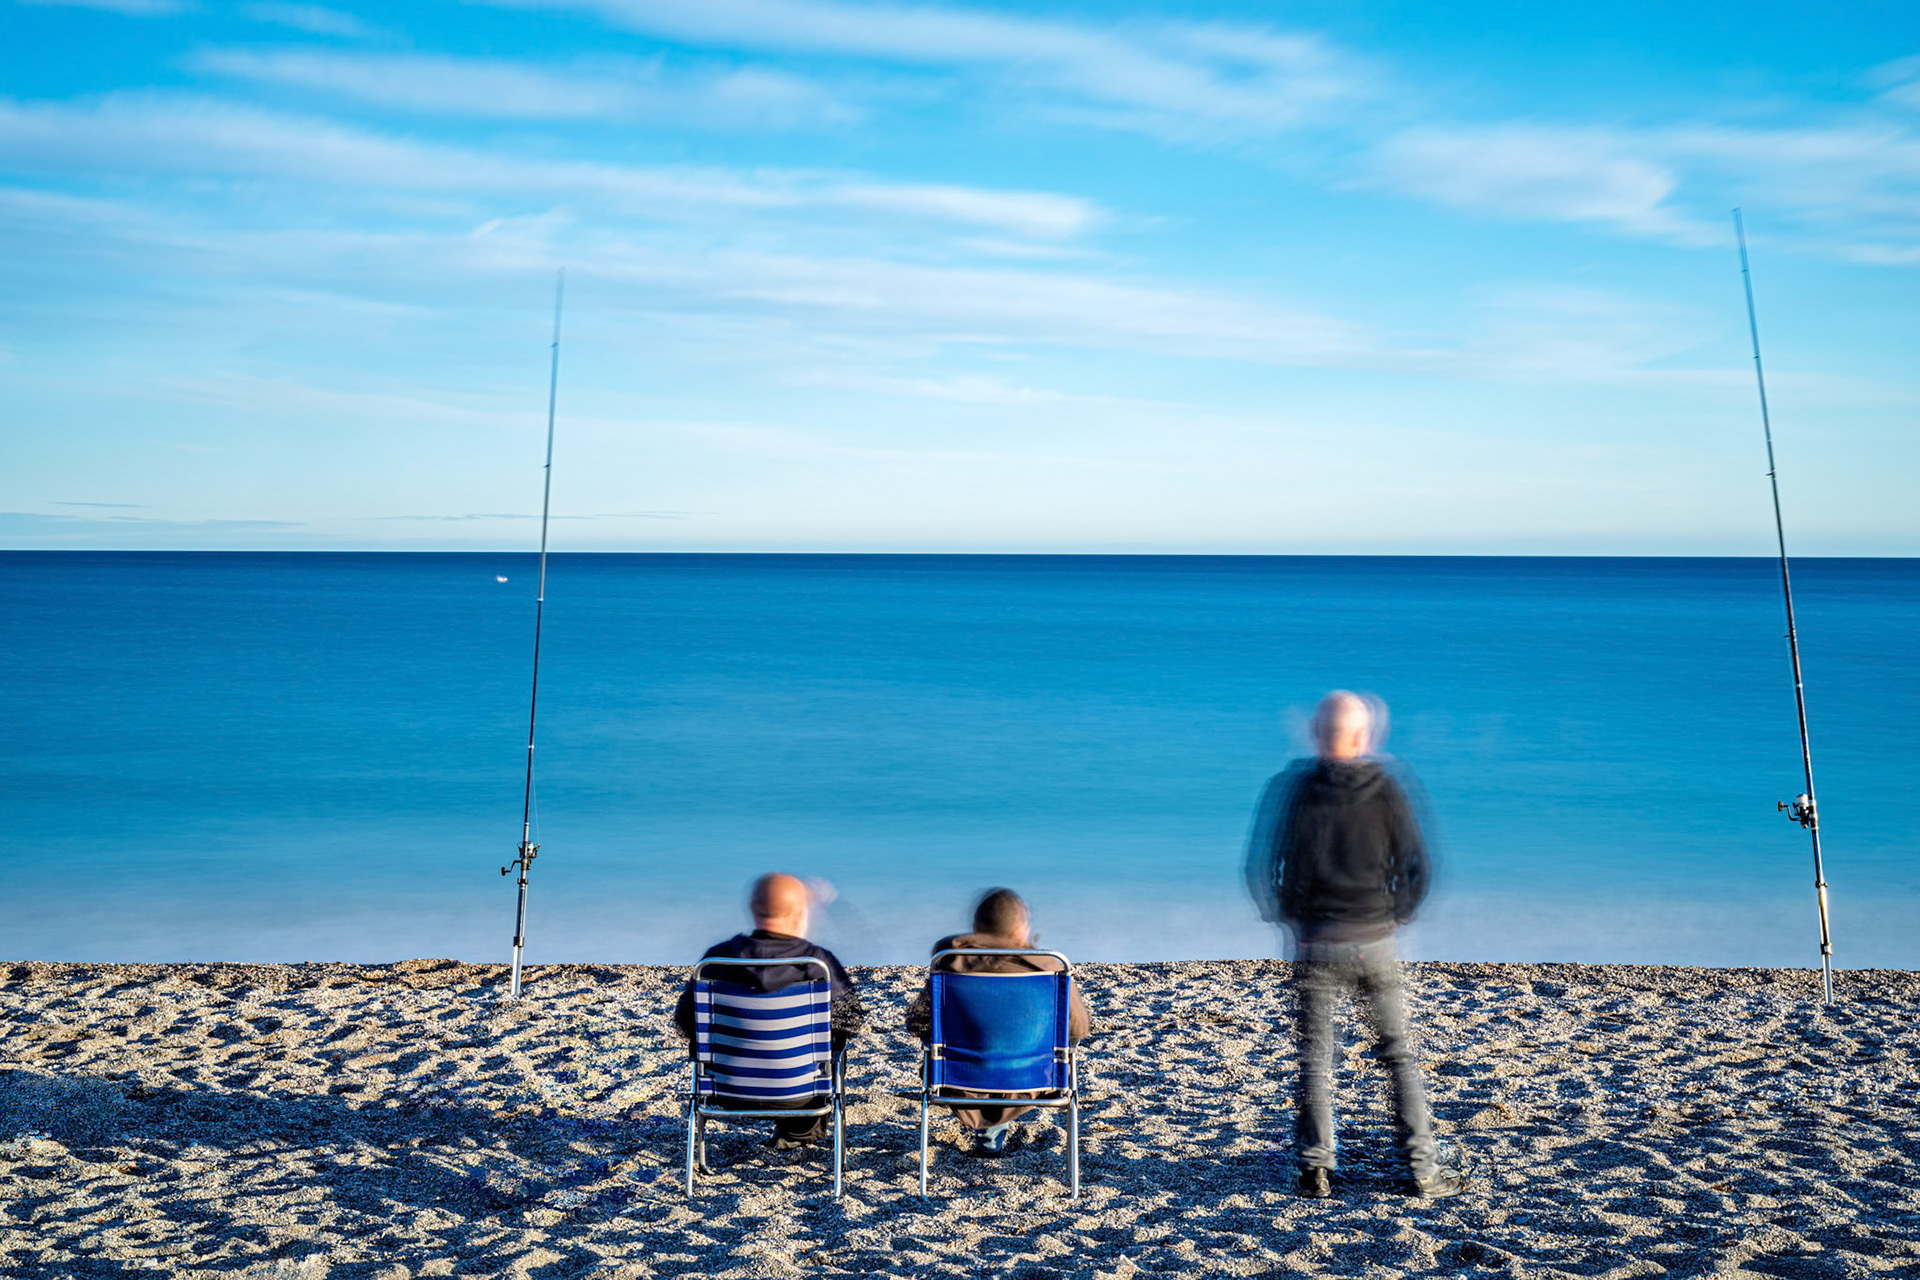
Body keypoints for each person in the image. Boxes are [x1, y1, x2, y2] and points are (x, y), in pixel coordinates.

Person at [1244, 691, 1465, 1199]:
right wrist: (1395, 916)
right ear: (1363, 737)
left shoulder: (1296, 787)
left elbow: (1263, 867)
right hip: (1374, 939)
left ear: (1320, 735)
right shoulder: (1387, 788)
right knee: (1398, 1056)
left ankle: (1314, 1170)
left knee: (1316, 1058)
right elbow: (1418, 867)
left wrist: (1291, 918)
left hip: (1318, 941)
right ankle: (1422, 1170)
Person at [673, 872, 866, 1149]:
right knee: (833, 1047)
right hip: (801, 1093)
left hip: (726, 1091)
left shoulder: (715, 961)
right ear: (801, 913)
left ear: (752, 909)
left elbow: (685, 1022)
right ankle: (799, 1132)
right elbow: (851, 1020)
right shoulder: (816, 965)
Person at [905, 887, 1092, 1157]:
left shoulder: (948, 965)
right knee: (1045, 1042)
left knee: (947, 1038)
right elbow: (1079, 1028)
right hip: (1033, 1080)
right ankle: (995, 1124)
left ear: (976, 927)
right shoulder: (1050, 969)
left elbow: (916, 1022)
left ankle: (988, 1124)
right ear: (1021, 928)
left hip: (958, 1081)